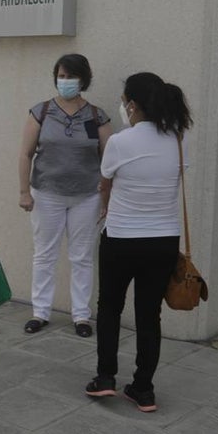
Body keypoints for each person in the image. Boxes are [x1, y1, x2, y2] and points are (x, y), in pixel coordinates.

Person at [86, 72, 193, 412]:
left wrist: (106, 203)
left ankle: (105, 379)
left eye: (124, 102)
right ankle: (143, 389)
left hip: (121, 238)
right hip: (162, 241)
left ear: (132, 105)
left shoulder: (120, 142)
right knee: (149, 315)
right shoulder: (177, 140)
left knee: (110, 307)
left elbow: (106, 181)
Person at [17, 53, 112, 338]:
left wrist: (107, 195)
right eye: (61, 76)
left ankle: (81, 316)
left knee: (82, 256)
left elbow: (109, 159)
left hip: (87, 196)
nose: (65, 81)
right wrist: (24, 191)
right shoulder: (42, 112)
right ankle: (40, 312)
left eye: (71, 76)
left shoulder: (97, 115)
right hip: (46, 194)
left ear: (83, 79)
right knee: (44, 254)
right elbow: (25, 153)